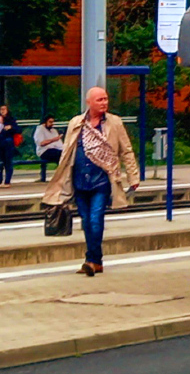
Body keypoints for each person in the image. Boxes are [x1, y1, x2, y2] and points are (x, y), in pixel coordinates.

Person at [42, 87, 140, 276]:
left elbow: (126, 150)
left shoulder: (115, 123)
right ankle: (96, 260)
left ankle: (91, 260)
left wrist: (133, 176)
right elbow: (67, 152)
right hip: (79, 181)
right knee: (86, 221)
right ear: (89, 102)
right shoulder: (76, 123)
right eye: (100, 100)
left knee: (95, 219)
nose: (104, 102)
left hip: (102, 181)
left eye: (106, 99)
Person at [33, 115, 64, 183]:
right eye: (50, 122)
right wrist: (53, 140)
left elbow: (60, 144)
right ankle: (60, 176)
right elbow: (41, 143)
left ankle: (62, 174)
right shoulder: (40, 129)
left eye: (52, 122)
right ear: (45, 122)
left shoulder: (54, 130)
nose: (51, 124)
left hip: (55, 149)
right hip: (44, 151)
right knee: (58, 154)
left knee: (64, 154)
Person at [0, 104, 18, 187]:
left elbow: (18, 130)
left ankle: (7, 181)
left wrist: (11, 127)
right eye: (1, 109)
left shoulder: (11, 120)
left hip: (8, 143)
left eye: (4, 109)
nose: (2, 111)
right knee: (0, 163)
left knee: (8, 162)